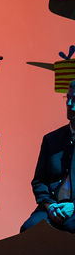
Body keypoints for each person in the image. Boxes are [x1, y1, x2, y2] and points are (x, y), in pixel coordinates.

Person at [22, 79, 75, 232]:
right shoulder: (51, 140)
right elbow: (39, 181)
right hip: (52, 206)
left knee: (70, 228)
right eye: (68, 98)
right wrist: (50, 205)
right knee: (29, 230)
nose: (69, 104)